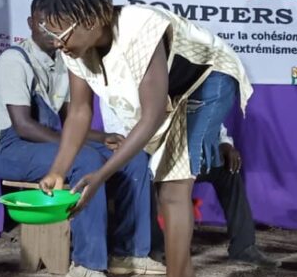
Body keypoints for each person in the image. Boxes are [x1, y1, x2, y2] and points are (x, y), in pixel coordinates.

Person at [36, 0, 254, 277]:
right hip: (173, 94)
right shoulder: (75, 50)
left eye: (64, 34)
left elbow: (151, 114)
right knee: (163, 185)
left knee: (173, 187)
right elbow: (78, 112)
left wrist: (101, 175)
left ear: (91, 21)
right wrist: (58, 170)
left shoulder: (139, 26)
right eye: (52, 34)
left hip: (210, 80)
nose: (58, 43)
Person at [0, 0, 163, 277]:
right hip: (7, 148)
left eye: (58, 26)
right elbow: (24, 126)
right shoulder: (14, 60)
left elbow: (70, 120)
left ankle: (128, 252)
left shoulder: (66, 61)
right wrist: (82, 148)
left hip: (46, 142)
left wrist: (101, 137)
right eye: (44, 24)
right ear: (30, 24)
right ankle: (86, 265)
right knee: (86, 160)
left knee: (133, 157)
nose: (52, 32)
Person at [100, 99, 275, 267]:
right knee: (144, 172)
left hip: (184, 153)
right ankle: (157, 249)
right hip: (149, 155)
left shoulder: (175, 73)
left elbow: (207, 115)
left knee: (227, 168)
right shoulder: (117, 85)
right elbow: (120, 134)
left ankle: (244, 247)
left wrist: (224, 143)